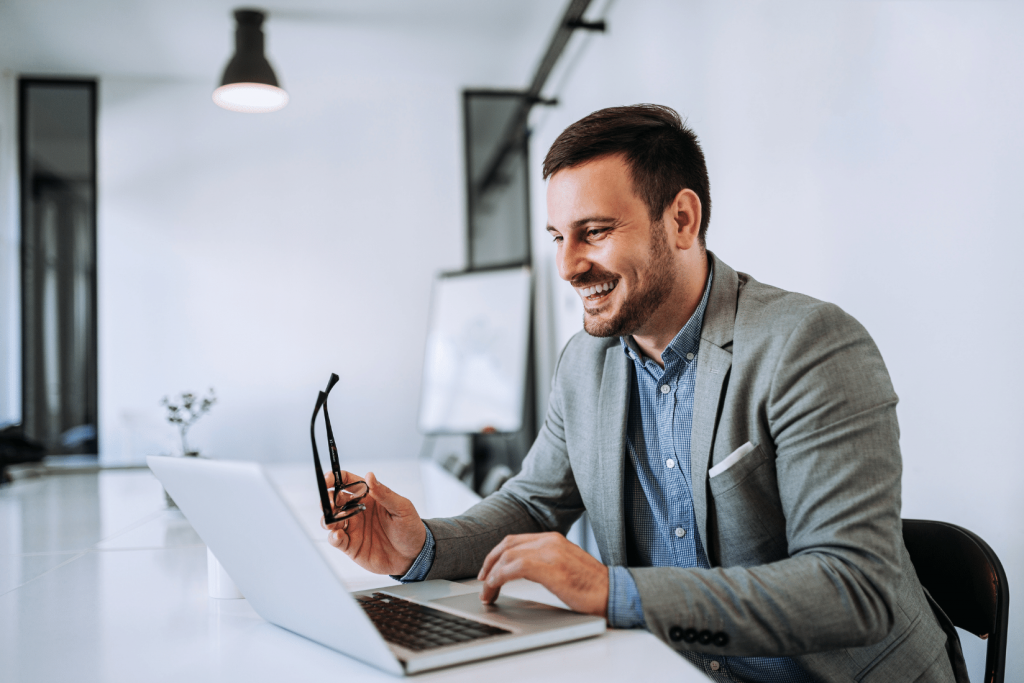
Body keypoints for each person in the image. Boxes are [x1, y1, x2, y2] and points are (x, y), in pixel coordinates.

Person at [323, 105, 966, 683]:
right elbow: (532, 502)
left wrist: (612, 590)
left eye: (595, 231)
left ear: (681, 219)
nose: (568, 265)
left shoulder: (809, 344)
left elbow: (854, 588)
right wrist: (423, 545)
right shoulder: (585, 363)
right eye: (558, 237)